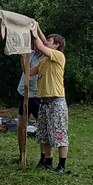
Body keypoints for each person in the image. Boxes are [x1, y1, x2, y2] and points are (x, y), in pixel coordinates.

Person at [29, 27, 69, 174]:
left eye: (49, 41)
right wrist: (23, 56)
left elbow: (40, 46)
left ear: (57, 45)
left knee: (59, 133)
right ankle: (48, 163)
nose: (46, 42)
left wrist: (33, 31)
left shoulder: (58, 55)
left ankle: (61, 166)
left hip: (57, 101)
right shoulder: (43, 61)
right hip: (44, 102)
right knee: (44, 134)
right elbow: (28, 72)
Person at [16, 42, 45, 165]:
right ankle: (22, 155)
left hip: (38, 94)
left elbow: (31, 73)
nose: (34, 44)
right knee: (21, 126)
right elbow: (25, 71)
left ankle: (44, 157)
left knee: (41, 126)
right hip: (24, 93)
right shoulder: (30, 54)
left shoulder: (46, 56)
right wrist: (23, 57)